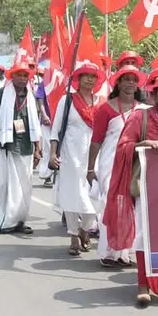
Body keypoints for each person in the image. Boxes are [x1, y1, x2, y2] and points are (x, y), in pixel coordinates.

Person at [104, 75, 158, 305]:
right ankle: (143, 284)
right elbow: (123, 148)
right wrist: (143, 145)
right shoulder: (139, 117)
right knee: (145, 235)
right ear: (153, 95)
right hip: (146, 187)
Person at [88, 65, 147, 267]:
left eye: (134, 79)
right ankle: (108, 252)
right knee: (109, 204)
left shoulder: (144, 110)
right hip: (110, 163)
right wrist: (90, 169)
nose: (130, 83)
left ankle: (125, 252)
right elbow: (96, 140)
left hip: (135, 163)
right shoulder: (105, 108)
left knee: (132, 207)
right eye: (126, 79)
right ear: (118, 83)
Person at [0, 59, 42, 234]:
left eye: (25, 75)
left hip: (25, 145)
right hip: (5, 143)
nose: (22, 78)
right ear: (12, 76)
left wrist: (38, 148)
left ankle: (17, 220)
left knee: (24, 186)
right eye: (18, 75)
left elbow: (35, 124)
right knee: (3, 184)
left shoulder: (31, 96)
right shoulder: (2, 94)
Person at [50, 62, 101, 257]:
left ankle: (85, 228)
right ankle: (73, 235)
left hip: (93, 156)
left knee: (93, 199)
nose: (90, 79)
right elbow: (56, 129)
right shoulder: (67, 100)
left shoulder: (99, 102)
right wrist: (53, 154)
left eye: (93, 76)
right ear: (78, 79)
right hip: (70, 155)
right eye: (86, 75)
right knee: (72, 196)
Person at [34, 67, 55, 188]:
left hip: (60, 121)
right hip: (47, 122)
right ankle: (47, 175)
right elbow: (40, 101)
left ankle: (58, 174)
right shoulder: (44, 84)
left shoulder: (63, 83)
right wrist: (44, 115)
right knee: (48, 148)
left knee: (60, 149)